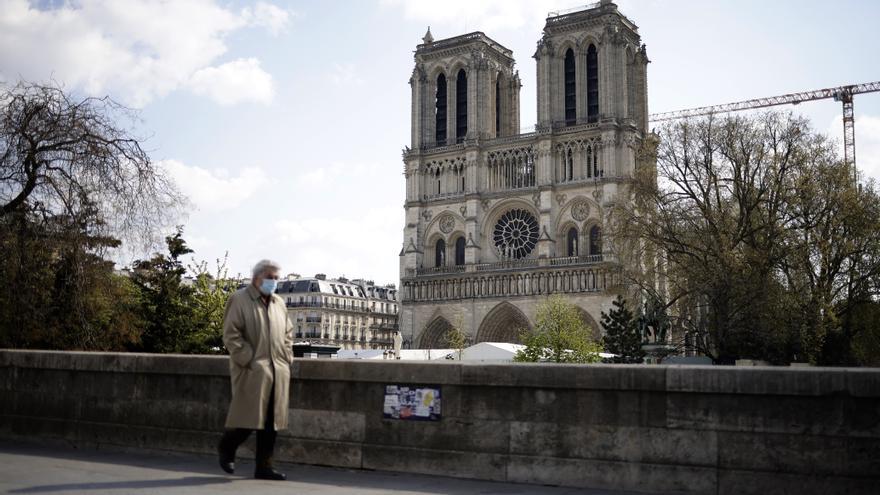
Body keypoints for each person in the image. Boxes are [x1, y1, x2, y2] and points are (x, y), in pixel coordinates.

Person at [217, 259, 294, 480]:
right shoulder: (239, 299)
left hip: (278, 371)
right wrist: (248, 360)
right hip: (253, 370)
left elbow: (288, 334)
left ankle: (265, 467)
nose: (274, 282)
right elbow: (231, 335)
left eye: (277, 278)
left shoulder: (279, 303)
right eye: (270, 277)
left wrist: (287, 357)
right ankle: (226, 447)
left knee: (271, 424)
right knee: (247, 420)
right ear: (256, 278)